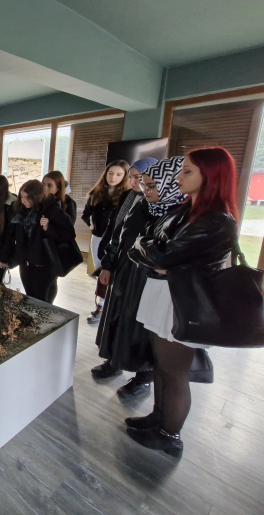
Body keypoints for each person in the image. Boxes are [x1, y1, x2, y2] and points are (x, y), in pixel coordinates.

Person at [126, 148, 238, 456]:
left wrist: (151, 250)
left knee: (175, 373)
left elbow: (162, 255)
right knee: (161, 366)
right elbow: (145, 244)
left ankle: (169, 435)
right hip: (164, 293)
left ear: (211, 175)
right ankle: (159, 417)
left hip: (182, 301)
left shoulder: (216, 220)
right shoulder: (184, 210)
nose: (178, 177)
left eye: (187, 171)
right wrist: (151, 249)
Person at [90, 157, 161, 394]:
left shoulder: (164, 206)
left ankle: (143, 377)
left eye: (139, 178)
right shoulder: (131, 199)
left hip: (146, 276)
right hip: (124, 270)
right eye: (132, 177)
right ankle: (114, 360)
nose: (134, 182)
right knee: (117, 317)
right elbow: (117, 234)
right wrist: (108, 265)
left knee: (140, 325)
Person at [1, 180, 75, 303]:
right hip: (25, 263)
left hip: (44, 265)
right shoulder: (20, 211)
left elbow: (69, 235)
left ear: (37, 197)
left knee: (41, 298)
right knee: (30, 296)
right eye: (22, 197)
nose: (23, 201)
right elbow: (11, 236)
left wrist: (48, 228)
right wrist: (5, 257)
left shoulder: (52, 211)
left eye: (27, 198)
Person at [81, 160, 130, 322]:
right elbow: (86, 214)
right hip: (97, 238)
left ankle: (108, 307)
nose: (113, 177)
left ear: (124, 176)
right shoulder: (96, 192)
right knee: (100, 273)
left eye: (118, 174)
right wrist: (93, 225)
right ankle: (101, 306)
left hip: (115, 241)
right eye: (110, 173)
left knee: (111, 274)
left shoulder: (127, 196)